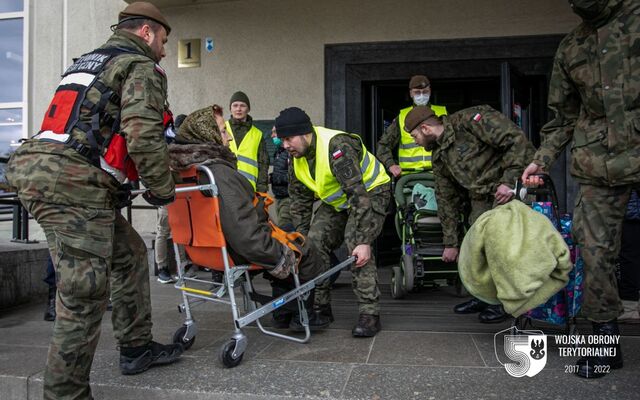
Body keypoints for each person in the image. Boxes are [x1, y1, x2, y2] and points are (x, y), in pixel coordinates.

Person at [5, 2, 183, 398]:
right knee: (83, 292)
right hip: (71, 181)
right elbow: (142, 133)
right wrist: (162, 189)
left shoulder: (89, 61)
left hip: (43, 167)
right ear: (147, 33)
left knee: (130, 253)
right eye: (164, 41)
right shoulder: (140, 66)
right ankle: (65, 394)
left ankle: (136, 347)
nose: (165, 51)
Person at [521, 0, 639, 379]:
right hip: (598, 161)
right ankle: (605, 340)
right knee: (593, 249)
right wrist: (541, 160)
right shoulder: (571, 47)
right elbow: (562, 118)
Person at [170, 104, 330, 331]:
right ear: (207, 133)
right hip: (237, 250)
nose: (228, 137)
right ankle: (303, 317)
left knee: (284, 234)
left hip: (202, 250)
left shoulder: (184, 172)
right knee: (305, 249)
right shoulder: (218, 173)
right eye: (223, 131)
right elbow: (247, 236)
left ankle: (283, 314)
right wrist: (277, 252)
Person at [404, 105, 535, 323]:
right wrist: (451, 242)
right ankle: (485, 297)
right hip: (481, 198)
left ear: (426, 128)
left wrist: (509, 181)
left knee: (504, 248)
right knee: (477, 248)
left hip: (510, 189)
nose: (415, 141)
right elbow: (446, 199)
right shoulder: (439, 155)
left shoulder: (470, 121)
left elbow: (515, 140)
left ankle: (510, 303)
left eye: (414, 135)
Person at [275, 107, 391, 337]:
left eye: (288, 139)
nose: (285, 145)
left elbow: (358, 195)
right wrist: (301, 240)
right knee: (315, 243)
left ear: (304, 133)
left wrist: (365, 240)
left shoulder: (337, 147)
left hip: (370, 192)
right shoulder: (295, 157)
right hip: (338, 200)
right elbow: (300, 201)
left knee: (356, 246)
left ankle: (369, 313)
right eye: (282, 139)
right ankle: (321, 308)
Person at [376, 75, 448, 178]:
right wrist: (391, 165)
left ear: (430, 91)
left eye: (425, 92)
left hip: (438, 175)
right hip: (409, 178)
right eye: (417, 92)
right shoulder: (401, 117)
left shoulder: (443, 114)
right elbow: (383, 145)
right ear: (411, 93)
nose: (422, 96)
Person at [224, 91, 269, 192]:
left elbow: (263, 163)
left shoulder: (257, 134)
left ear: (248, 109)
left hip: (249, 189)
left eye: (242, 106)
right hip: (226, 186)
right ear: (230, 109)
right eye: (235, 105)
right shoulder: (222, 130)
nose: (238, 109)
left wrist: (261, 190)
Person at [618, 190, 640, 322]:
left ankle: (630, 307)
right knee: (629, 257)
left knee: (628, 257)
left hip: (631, 210)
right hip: (631, 208)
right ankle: (630, 306)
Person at [270, 126, 294, 231]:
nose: (272, 136)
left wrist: (272, 178)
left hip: (288, 198)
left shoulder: (291, 152)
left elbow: (294, 177)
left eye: (275, 132)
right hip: (279, 197)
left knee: (286, 228)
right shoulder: (279, 152)